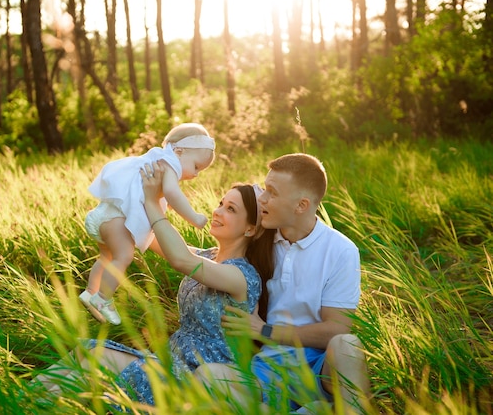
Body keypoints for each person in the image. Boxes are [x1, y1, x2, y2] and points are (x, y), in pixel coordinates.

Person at [33, 161, 276, 406]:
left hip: (194, 375)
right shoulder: (208, 256)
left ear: (250, 230)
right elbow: (148, 239)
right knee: (84, 352)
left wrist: (152, 204)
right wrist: (139, 196)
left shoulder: (242, 276)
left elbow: (181, 259)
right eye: (221, 203)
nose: (218, 211)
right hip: (170, 360)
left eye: (231, 209)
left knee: (89, 366)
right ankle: (15, 402)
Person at [194, 153, 371, 414]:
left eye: (272, 193)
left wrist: (266, 331)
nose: (262, 199)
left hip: (319, 372)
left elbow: (337, 329)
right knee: (208, 377)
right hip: (265, 375)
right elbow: (210, 257)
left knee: (348, 346)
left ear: (301, 205)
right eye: (265, 189)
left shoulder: (341, 250)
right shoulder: (260, 237)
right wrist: (148, 234)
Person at [80, 123, 216, 325]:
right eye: (196, 166)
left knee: (107, 256)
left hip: (106, 214)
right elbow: (172, 193)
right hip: (116, 219)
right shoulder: (169, 164)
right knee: (123, 256)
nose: (196, 174)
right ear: (179, 151)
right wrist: (194, 217)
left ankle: (90, 291)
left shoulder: (155, 159)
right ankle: (102, 299)